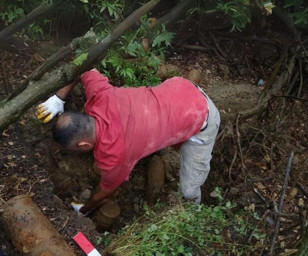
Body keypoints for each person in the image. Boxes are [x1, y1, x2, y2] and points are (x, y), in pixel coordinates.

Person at [36, 69, 220, 214]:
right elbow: (84, 64)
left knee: (188, 191)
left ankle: (194, 212)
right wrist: (59, 97)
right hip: (180, 87)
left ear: (84, 145)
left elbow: (106, 190)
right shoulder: (102, 95)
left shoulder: (114, 155)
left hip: (202, 115)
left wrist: (84, 208)